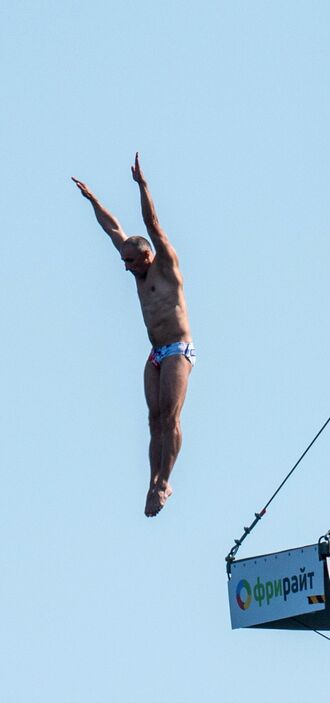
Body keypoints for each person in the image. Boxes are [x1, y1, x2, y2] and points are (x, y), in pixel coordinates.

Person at [73, 154, 193, 517]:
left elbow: (152, 223)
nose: (125, 268)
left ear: (146, 256)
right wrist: (94, 200)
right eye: (124, 262)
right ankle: (152, 478)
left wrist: (143, 186)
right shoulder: (133, 264)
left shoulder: (165, 264)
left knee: (170, 416)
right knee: (152, 418)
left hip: (177, 350)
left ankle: (164, 482)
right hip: (155, 352)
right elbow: (113, 230)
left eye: (130, 262)